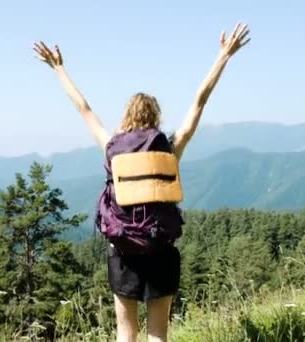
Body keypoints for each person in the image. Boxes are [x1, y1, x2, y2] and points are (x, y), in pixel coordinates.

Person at [34, 21, 250, 342]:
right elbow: (199, 102)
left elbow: (84, 108)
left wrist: (59, 68)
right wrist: (223, 56)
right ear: (156, 117)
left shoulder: (112, 148)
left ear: (127, 116)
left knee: (125, 331)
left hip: (122, 251)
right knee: (158, 334)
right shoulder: (169, 149)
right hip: (160, 247)